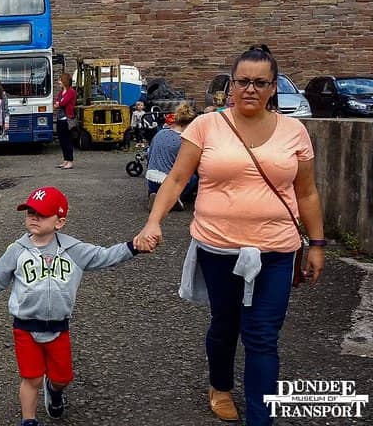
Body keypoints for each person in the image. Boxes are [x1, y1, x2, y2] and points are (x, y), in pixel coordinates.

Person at [133, 45, 326, 426]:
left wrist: (317, 244)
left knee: (262, 336)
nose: (250, 89)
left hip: (276, 251)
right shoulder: (207, 126)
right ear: (230, 86)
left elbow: (306, 192)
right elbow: (176, 178)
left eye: (260, 82)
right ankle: (220, 386)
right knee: (225, 323)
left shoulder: (295, 132)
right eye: (242, 81)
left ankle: (260, 417)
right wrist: (153, 222)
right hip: (218, 247)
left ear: (274, 88)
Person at [0, 186, 145, 426]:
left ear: (60, 222)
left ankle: (54, 391)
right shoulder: (17, 251)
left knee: (62, 377)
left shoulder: (73, 250)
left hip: (58, 327)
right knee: (31, 377)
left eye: (42, 214)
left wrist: (134, 246)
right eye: (30, 213)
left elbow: (104, 256)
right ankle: (29, 420)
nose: (34, 218)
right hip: (25, 327)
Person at [145, 102, 198, 210]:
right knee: (193, 177)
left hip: (151, 179)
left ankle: (156, 195)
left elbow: (149, 155)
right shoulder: (185, 141)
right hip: (169, 183)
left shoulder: (160, 133)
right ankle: (173, 198)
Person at [54, 72, 77, 170]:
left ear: (65, 81)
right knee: (62, 141)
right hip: (60, 118)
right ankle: (65, 160)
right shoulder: (61, 92)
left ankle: (70, 161)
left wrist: (58, 104)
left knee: (67, 141)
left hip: (66, 119)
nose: (59, 82)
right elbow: (56, 101)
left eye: (60, 80)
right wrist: (58, 104)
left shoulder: (71, 92)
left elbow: (63, 103)